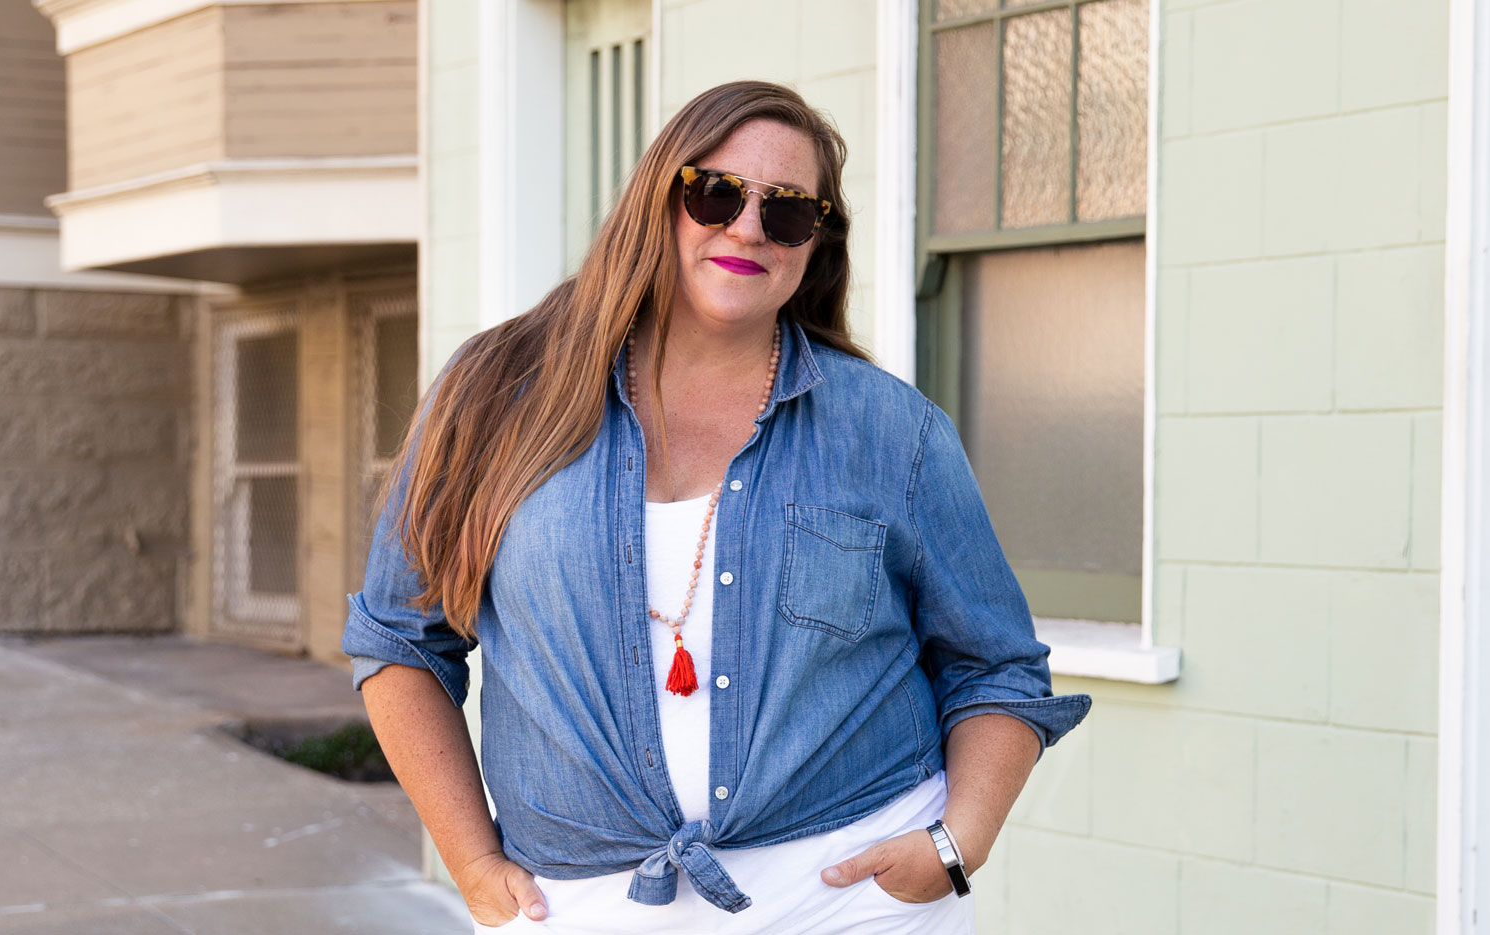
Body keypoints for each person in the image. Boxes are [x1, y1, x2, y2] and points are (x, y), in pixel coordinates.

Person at [342, 80, 1090, 933]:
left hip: (847, 896)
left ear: (815, 241)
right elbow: (401, 638)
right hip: (579, 903)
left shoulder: (889, 429)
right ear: (657, 201)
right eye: (715, 193)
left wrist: (957, 843)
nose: (746, 228)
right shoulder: (496, 394)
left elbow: (994, 665)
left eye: (788, 211)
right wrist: (471, 860)